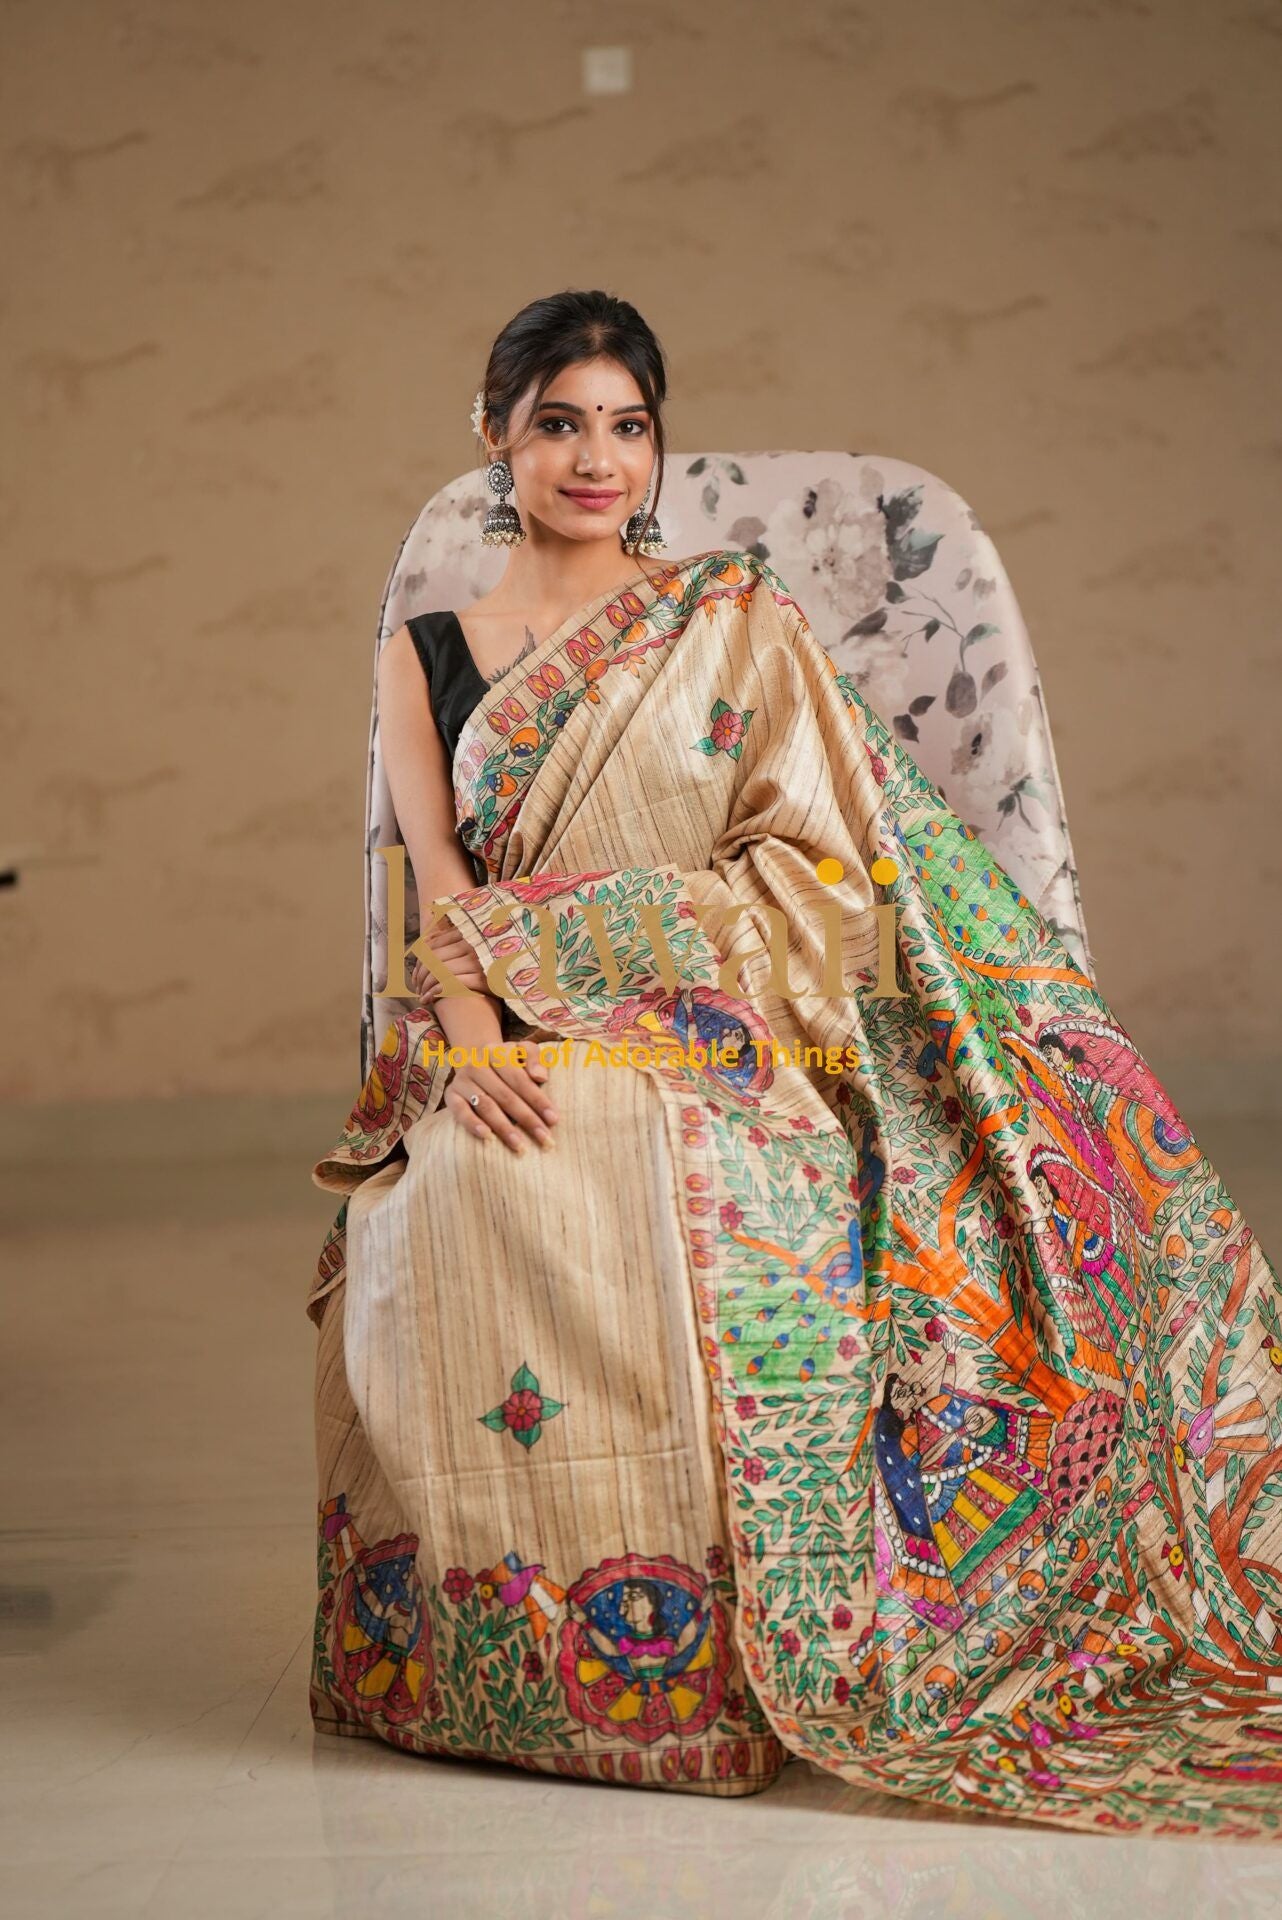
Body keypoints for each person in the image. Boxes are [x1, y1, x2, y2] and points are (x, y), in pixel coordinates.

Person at [307, 290, 1282, 1836]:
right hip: (508, 1035)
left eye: (627, 426)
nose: (595, 458)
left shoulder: (728, 622)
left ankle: (724, 1688)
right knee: (471, 1179)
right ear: (493, 434)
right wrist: (473, 1044)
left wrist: (560, 943)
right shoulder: (426, 653)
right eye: (560, 421)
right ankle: (512, 1674)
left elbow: (813, 882)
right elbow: (444, 886)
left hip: (723, 1038)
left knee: (684, 1178)